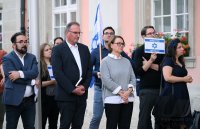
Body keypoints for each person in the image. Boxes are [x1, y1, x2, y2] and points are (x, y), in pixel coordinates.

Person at [51, 21, 92, 129]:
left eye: (79, 33)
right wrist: (72, 89)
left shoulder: (84, 48)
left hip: (82, 94)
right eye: (75, 32)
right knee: (65, 125)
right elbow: (58, 73)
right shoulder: (57, 49)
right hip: (66, 95)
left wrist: (84, 86)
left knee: (78, 125)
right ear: (67, 33)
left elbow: (89, 70)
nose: (78, 35)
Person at [2, 32, 39, 129]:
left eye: (26, 41)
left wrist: (20, 74)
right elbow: (13, 79)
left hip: (29, 101)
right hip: (13, 100)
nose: (24, 44)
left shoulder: (32, 57)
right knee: (11, 126)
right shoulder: (7, 58)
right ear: (14, 45)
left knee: (30, 126)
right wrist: (32, 82)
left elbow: (34, 73)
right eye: (21, 42)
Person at [100, 35, 136, 129]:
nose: (121, 46)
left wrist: (128, 92)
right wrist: (121, 93)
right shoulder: (105, 61)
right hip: (112, 99)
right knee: (111, 126)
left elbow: (133, 78)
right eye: (118, 43)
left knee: (125, 126)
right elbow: (106, 80)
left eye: (122, 44)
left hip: (128, 99)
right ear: (111, 45)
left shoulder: (126, 61)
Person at [134, 26, 164, 129]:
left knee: (161, 118)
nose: (153, 35)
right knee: (144, 119)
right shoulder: (139, 51)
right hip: (147, 89)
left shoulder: (161, 49)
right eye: (150, 33)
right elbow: (138, 72)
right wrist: (151, 60)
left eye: (154, 33)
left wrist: (148, 64)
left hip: (161, 88)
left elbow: (164, 68)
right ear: (143, 36)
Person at [160, 38, 193, 129]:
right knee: (172, 123)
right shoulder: (168, 60)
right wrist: (183, 79)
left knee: (183, 123)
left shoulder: (180, 61)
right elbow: (167, 77)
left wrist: (187, 79)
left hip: (182, 94)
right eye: (180, 47)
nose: (183, 49)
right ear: (173, 49)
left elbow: (181, 77)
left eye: (182, 47)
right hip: (172, 95)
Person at [89, 26, 115, 129]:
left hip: (114, 89)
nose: (109, 35)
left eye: (111, 33)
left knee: (112, 118)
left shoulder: (118, 50)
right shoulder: (96, 51)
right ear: (103, 36)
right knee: (97, 116)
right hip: (100, 88)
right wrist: (96, 73)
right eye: (106, 33)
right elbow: (87, 69)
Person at [40, 43, 59, 129]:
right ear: (41, 52)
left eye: (50, 49)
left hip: (55, 97)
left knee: (53, 123)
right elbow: (38, 83)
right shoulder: (39, 65)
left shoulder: (55, 63)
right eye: (46, 50)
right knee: (42, 122)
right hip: (44, 98)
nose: (49, 51)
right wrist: (52, 82)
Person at [0, 50, 7, 129]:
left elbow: (4, 66)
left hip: (1, 91)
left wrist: (4, 76)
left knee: (0, 117)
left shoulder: (2, 53)